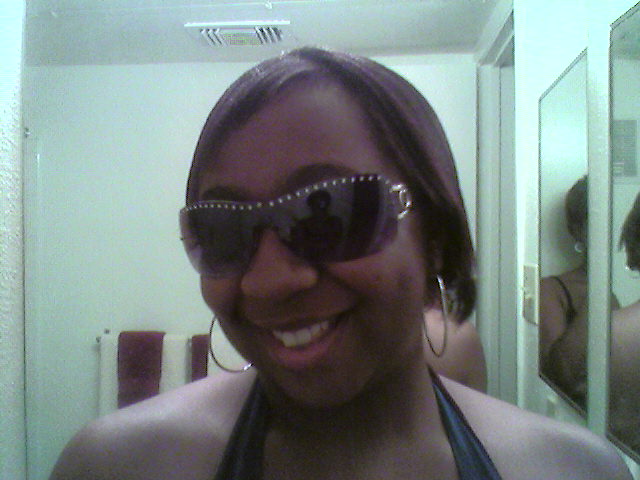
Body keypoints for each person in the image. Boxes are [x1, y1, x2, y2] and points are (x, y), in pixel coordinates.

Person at [50, 47, 630, 480]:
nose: (268, 282)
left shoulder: (572, 471)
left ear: (435, 235)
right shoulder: (116, 466)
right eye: (223, 231)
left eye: (332, 213)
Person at [539, 177, 619, 405]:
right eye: (598, 220)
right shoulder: (552, 290)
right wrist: (598, 289)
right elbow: (561, 375)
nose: (609, 228)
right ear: (576, 230)